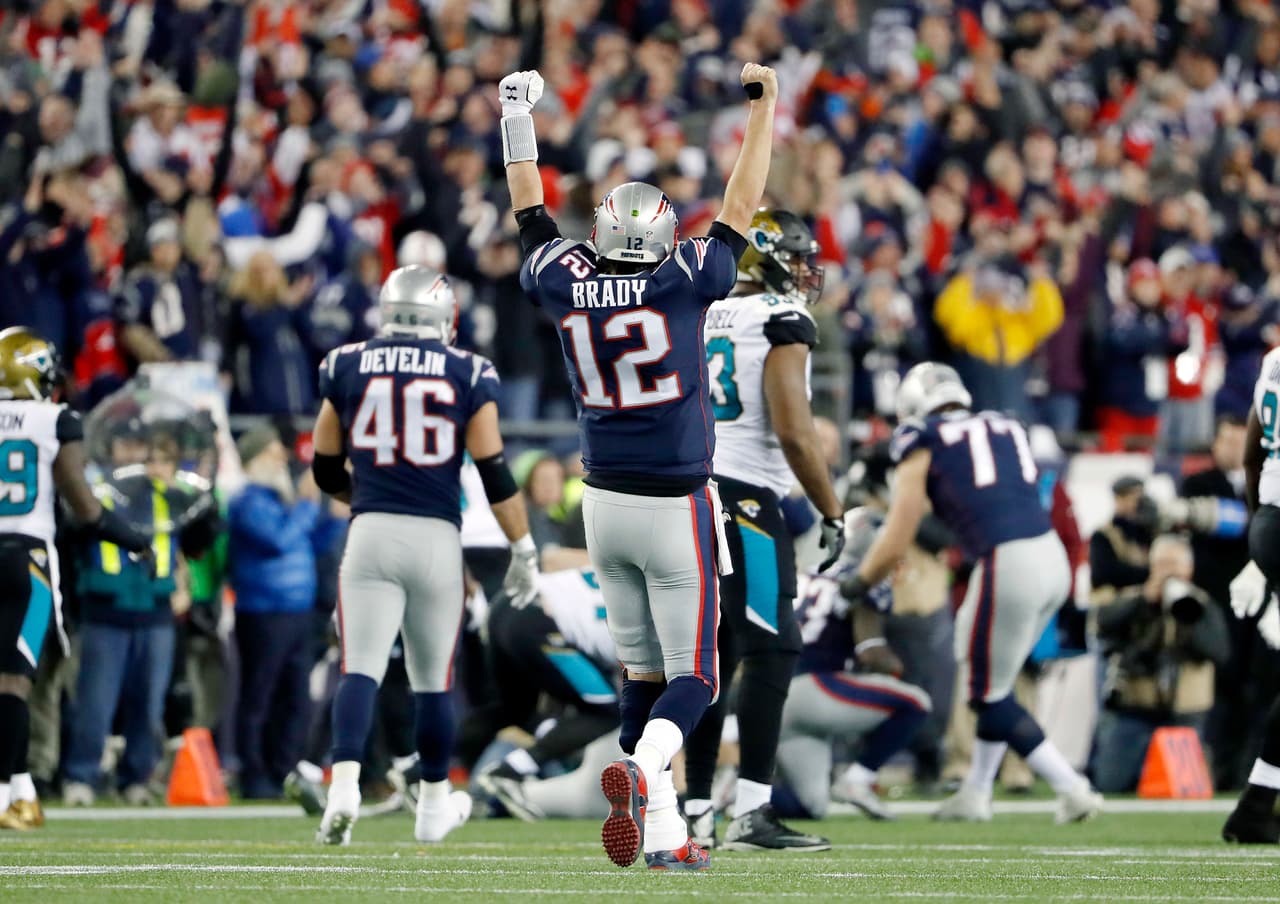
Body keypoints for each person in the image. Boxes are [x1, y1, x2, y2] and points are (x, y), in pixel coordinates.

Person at [501, 62, 777, 871]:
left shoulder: (564, 278)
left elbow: (527, 205)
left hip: (601, 500)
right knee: (696, 676)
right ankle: (647, 767)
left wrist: (515, 113)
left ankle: (663, 838)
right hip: (677, 500)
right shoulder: (686, 277)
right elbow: (740, 203)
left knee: (639, 672)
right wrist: (762, 109)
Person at [310, 265, 539, 846]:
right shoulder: (468, 370)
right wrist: (523, 546)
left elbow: (324, 465)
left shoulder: (347, 363)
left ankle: (343, 789)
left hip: (371, 531)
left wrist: (365, 498)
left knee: (358, 667)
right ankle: (433, 806)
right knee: (432, 682)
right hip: (437, 536)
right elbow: (493, 469)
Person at [840, 362, 1102, 824]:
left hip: (1007, 563)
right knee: (993, 681)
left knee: (986, 695)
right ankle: (977, 791)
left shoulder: (920, 435)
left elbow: (902, 527)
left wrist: (860, 579)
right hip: (1049, 557)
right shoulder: (1004, 423)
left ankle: (1072, 787)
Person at [683, 209, 845, 853]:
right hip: (747, 497)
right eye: (797, 256)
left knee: (710, 655)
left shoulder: (704, 310)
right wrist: (831, 508)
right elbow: (794, 430)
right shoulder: (780, 317)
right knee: (773, 646)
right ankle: (751, 810)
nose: (806, 270)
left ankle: (696, 808)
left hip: (696, 492)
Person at [0, 328, 150, 828]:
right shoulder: (55, 420)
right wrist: (135, 539)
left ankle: (21, 793)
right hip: (29, 563)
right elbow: (85, 509)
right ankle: (6, 795)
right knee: (15, 682)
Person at [776, 508, 931, 822]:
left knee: (812, 806)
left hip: (778, 694)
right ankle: (858, 780)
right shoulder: (860, 580)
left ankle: (735, 793)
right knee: (916, 702)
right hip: (817, 688)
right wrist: (897, 667)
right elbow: (871, 651)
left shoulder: (810, 571)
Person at [228, 426, 340, 800]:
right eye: (274, 453)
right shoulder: (246, 502)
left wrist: (335, 520)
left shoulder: (277, 503)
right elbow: (281, 540)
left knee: (295, 697)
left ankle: (283, 770)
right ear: (255, 459)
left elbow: (306, 545)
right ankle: (254, 773)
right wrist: (309, 504)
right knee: (260, 695)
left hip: (296, 612)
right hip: (263, 611)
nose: (282, 461)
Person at [1091, 535, 1228, 793]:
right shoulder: (1132, 597)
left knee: (1188, 789)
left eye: (1174, 564)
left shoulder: (1202, 603)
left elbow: (1219, 652)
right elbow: (1103, 625)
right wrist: (1143, 602)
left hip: (1186, 714)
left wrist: (1188, 617)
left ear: (1189, 568)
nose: (1168, 571)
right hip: (1135, 708)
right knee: (1109, 783)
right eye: (1162, 564)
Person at [1223, 346, 1280, 843]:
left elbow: (1250, 454)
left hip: (1271, 519)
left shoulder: (1275, 361)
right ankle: (1256, 805)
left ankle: (1258, 803)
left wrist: (1263, 529)